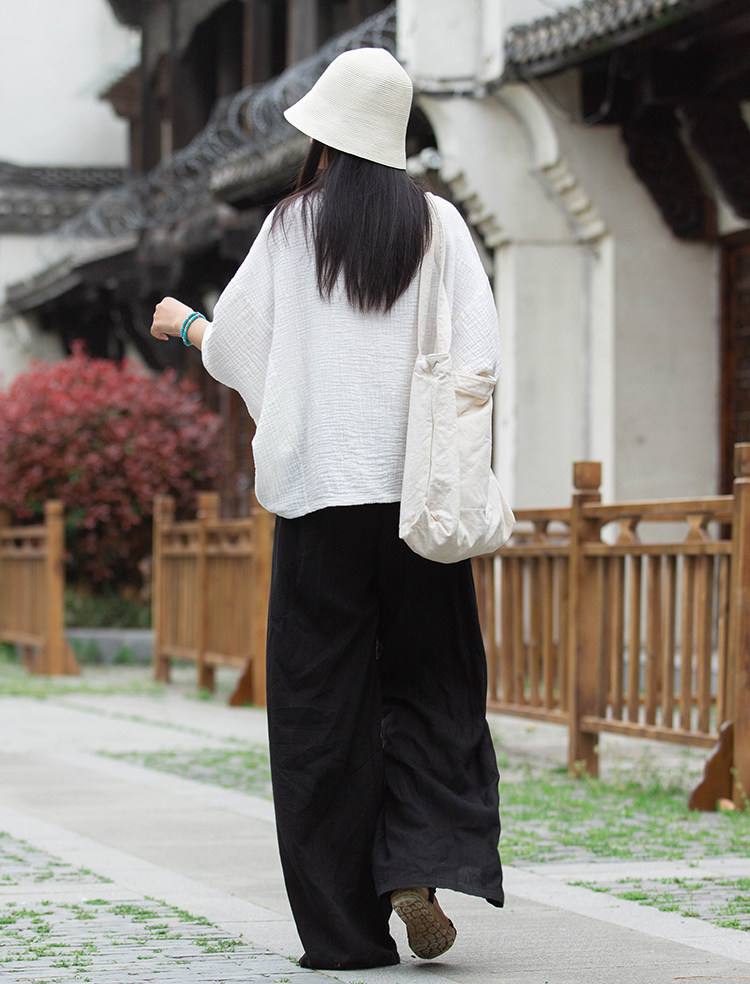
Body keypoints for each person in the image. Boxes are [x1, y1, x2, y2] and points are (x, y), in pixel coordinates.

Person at [151, 46, 504, 971]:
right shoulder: (441, 225)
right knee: (434, 685)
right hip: (420, 501)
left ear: (323, 134)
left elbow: (244, 349)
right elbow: (479, 356)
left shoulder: (291, 226)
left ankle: (345, 934)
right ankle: (417, 860)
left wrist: (187, 325)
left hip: (319, 503)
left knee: (321, 710)